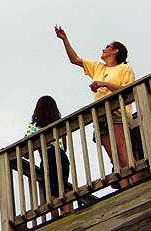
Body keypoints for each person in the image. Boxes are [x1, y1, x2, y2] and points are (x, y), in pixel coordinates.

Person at [55, 25, 138, 188]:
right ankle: (124, 188)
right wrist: (65, 40)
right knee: (113, 156)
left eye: (107, 47)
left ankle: (136, 184)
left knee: (122, 150)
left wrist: (103, 84)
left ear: (115, 51)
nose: (103, 49)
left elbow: (128, 89)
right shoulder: (98, 67)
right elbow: (75, 59)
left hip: (117, 114)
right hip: (101, 116)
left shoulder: (124, 69)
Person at [25, 95, 70, 218]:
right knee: (62, 189)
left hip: (48, 156)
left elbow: (26, 151)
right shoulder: (59, 124)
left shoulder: (34, 126)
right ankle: (68, 214)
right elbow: (64, 147)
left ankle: (55, 219)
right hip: (62, 157)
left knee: (51, 192)